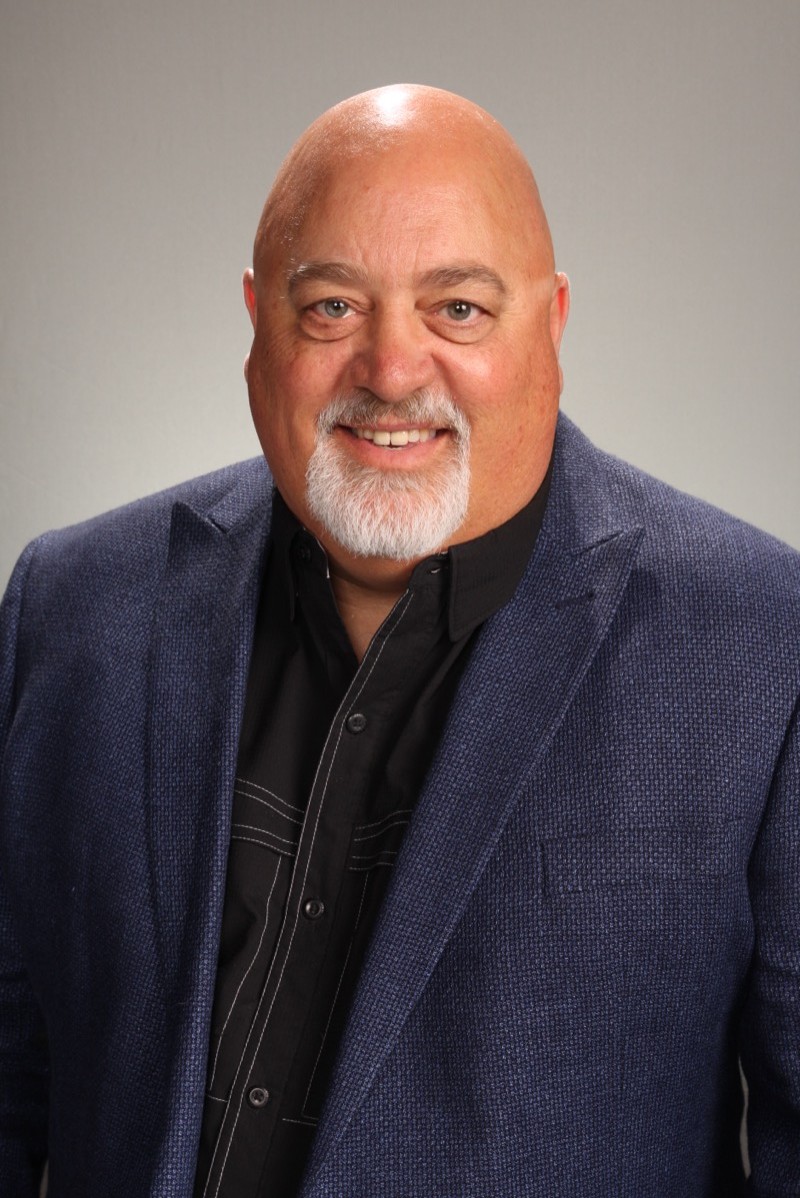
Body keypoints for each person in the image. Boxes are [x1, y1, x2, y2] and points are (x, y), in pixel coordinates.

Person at [0, 83, 798, 1198]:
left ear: (552, 323)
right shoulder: (72, 607)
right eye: (330, 306)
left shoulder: (758, 647)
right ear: (256, 321)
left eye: (457, 309)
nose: (389, 367)